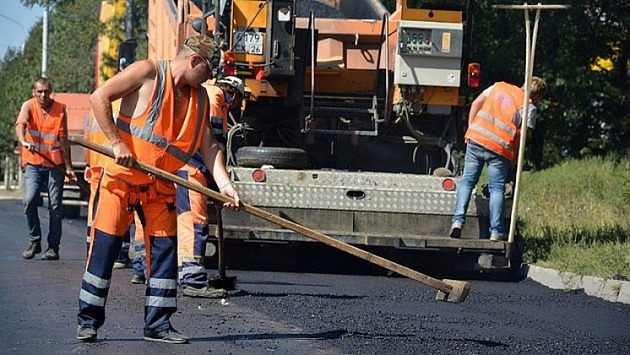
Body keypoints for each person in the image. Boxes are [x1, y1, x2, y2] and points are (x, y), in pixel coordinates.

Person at [76, 35, 240, 344]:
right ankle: (88, 321)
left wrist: (226, 184)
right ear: (194, 61)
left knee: (164, 255)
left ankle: (158, 324)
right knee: (105, 250)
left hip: (160, 184)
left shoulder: (200, 98)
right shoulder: (147, 72)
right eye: (208, 69)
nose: (210, 77)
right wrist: (116, 142)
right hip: (121, 179)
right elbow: (99, 97)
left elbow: (209, 145)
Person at [449, 77, 547, 241]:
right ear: (537, 96)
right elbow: (522, 136)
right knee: (496, 189)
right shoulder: (529, 107)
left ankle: (458, 222)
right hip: (500, 149)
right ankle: (495, 232)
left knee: (467, 182)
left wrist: (471, 129)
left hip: (476, 139)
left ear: (524, 84)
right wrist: (515, 157)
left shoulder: (499, 86)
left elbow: (475, 104)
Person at [177, 76, 244, 298]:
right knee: (194, 222)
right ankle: (192, 279)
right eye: (239, 100)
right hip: (192, 167)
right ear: (233, 93)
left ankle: (184, 276)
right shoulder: (215, 98)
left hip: (194, 167)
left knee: (189, 222)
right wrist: (217, 183)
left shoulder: (213, 99)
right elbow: (211, 142)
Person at [15, 77, 76, 260]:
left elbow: (64, 140)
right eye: (40, 91)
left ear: (51, 92)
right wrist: (24, 142)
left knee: (56, 206)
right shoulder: (28, 106)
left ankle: (53, 248)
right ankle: (35, 241)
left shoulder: (60, 109)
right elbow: (20, 126)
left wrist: (69, 166)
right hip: (33, 162)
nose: (43, 95)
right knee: (30, 199)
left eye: (46, 91)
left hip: (54, 165)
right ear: (34, 92)